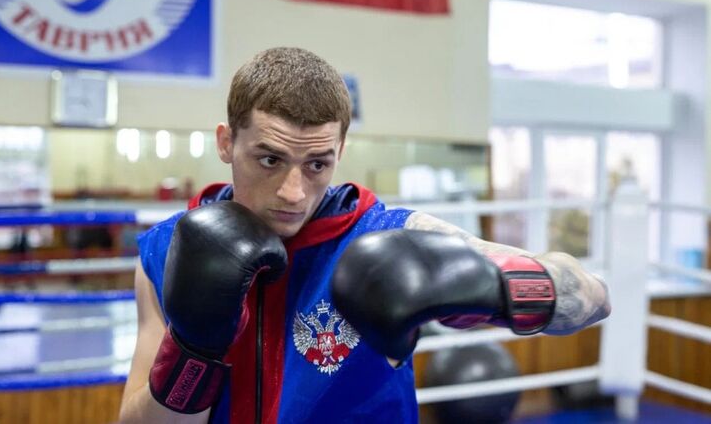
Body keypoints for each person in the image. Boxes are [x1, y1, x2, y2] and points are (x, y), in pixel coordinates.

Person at [118, 47, 611, 424]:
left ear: (340, 151)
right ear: (227, 142)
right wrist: (193, 350)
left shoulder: (388, 235)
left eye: (317, 164)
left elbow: (591, 297)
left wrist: (491, 287)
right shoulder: (166, 252)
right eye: (269, 159)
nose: (293, 192)